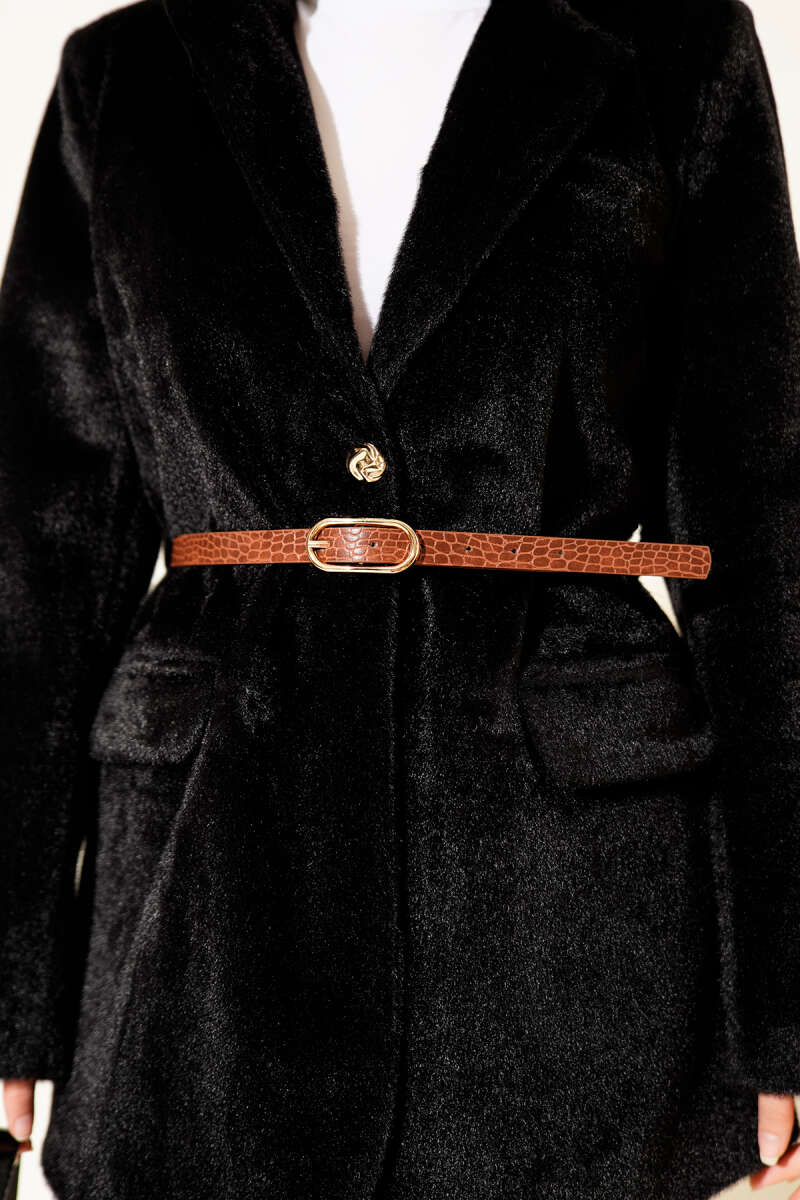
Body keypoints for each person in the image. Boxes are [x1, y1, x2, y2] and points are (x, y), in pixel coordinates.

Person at [1, 0, 800, 1197]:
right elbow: (36, 569)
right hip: (203, 921)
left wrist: (783, 1003)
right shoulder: (127, 74)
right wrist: (9, 986)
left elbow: (764, 540)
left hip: (574, 931)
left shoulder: (672, 51)